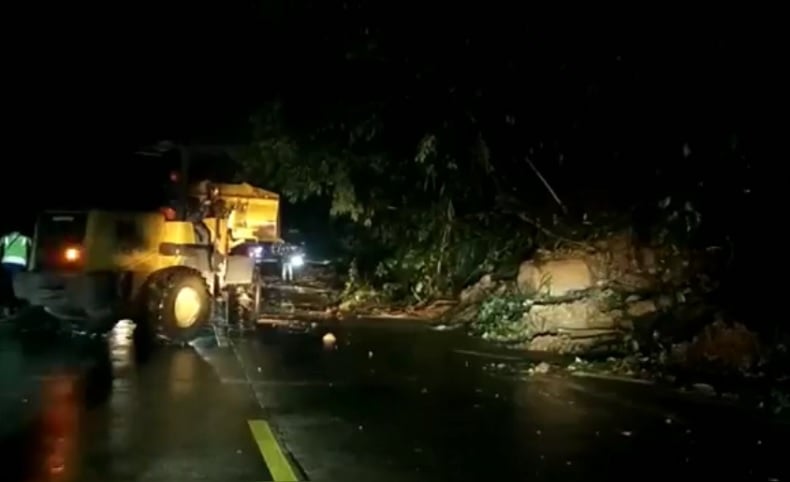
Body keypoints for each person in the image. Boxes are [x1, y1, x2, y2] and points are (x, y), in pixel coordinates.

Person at [0, 229, 31, 311]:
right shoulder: (26, 239)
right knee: (15, 283)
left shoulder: (5, 238)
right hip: (19, 263)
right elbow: (31, 248)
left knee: (6, 282)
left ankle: (6, 301)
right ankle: (13, 302)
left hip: (6, 262)